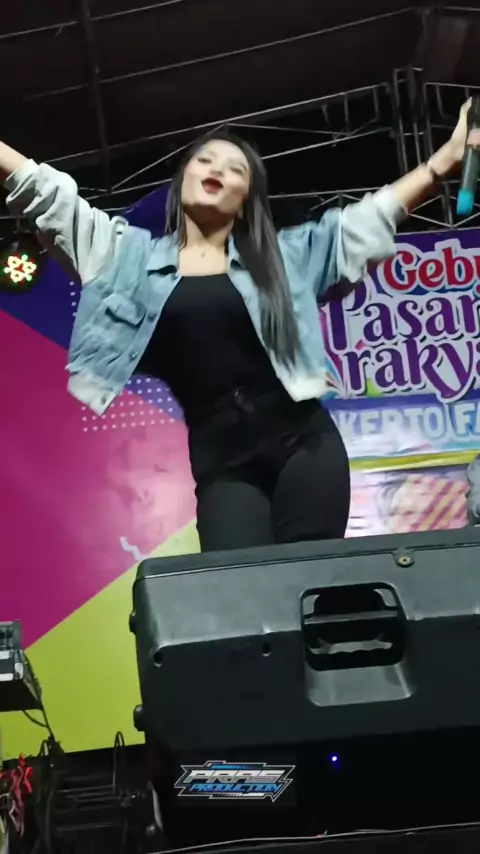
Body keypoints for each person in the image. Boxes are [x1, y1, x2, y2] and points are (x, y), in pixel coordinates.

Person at [0, 104, 477, 552]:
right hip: (222, 461)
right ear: (182, 179)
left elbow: (366, 220)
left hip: (303, 443)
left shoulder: (284, 258)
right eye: (205, 160)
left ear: (246, 199)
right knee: (239, 593)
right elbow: (50, 195)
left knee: (312, 585)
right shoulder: (127, 259)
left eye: (235, 169)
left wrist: (445, 160)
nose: (217, 169)